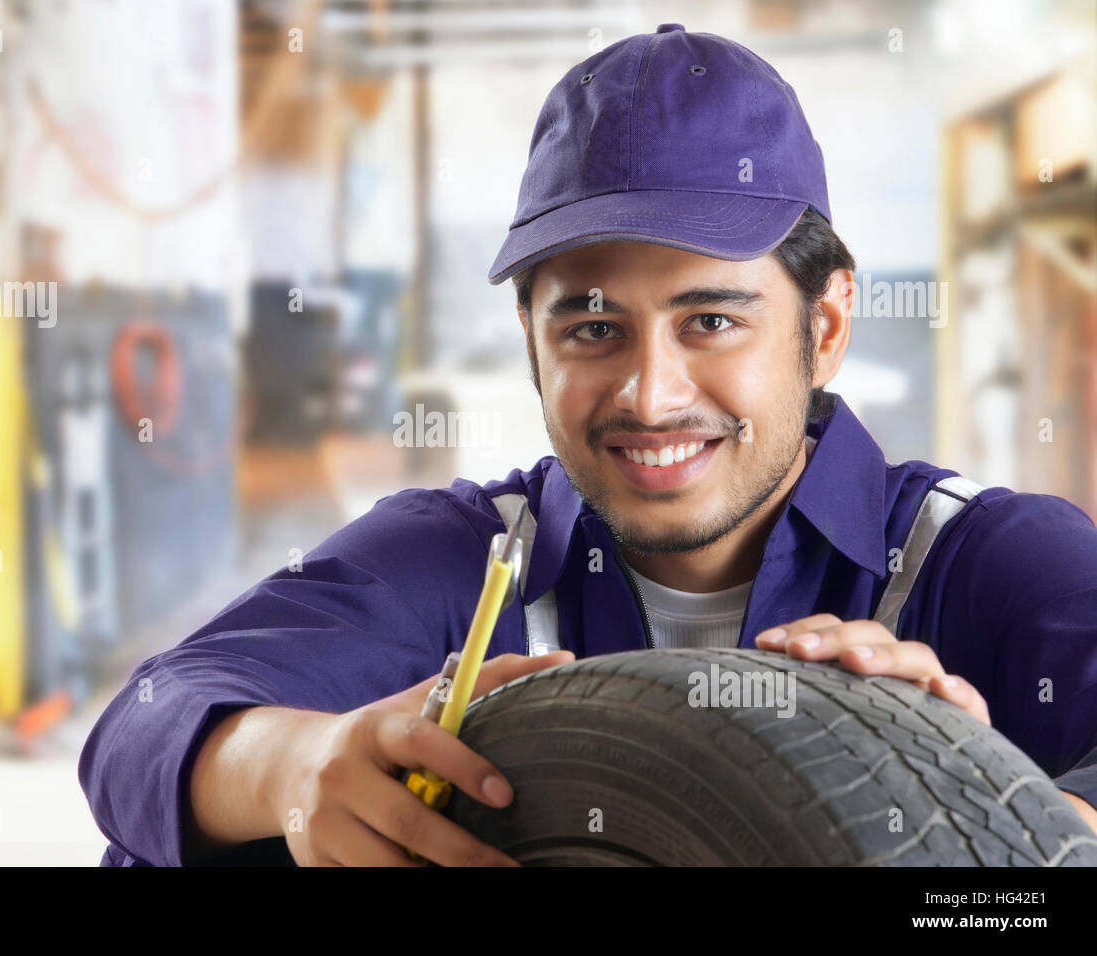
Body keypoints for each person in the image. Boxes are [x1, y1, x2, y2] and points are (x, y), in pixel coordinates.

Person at [79, 23, 1097, 866]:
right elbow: (151, 716)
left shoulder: (985, 561)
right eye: (593, 329)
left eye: (711, 320)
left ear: (823, 326)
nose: (649, 394)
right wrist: (297, 767)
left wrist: (980, 806)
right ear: (531, 340)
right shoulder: (468, 561)